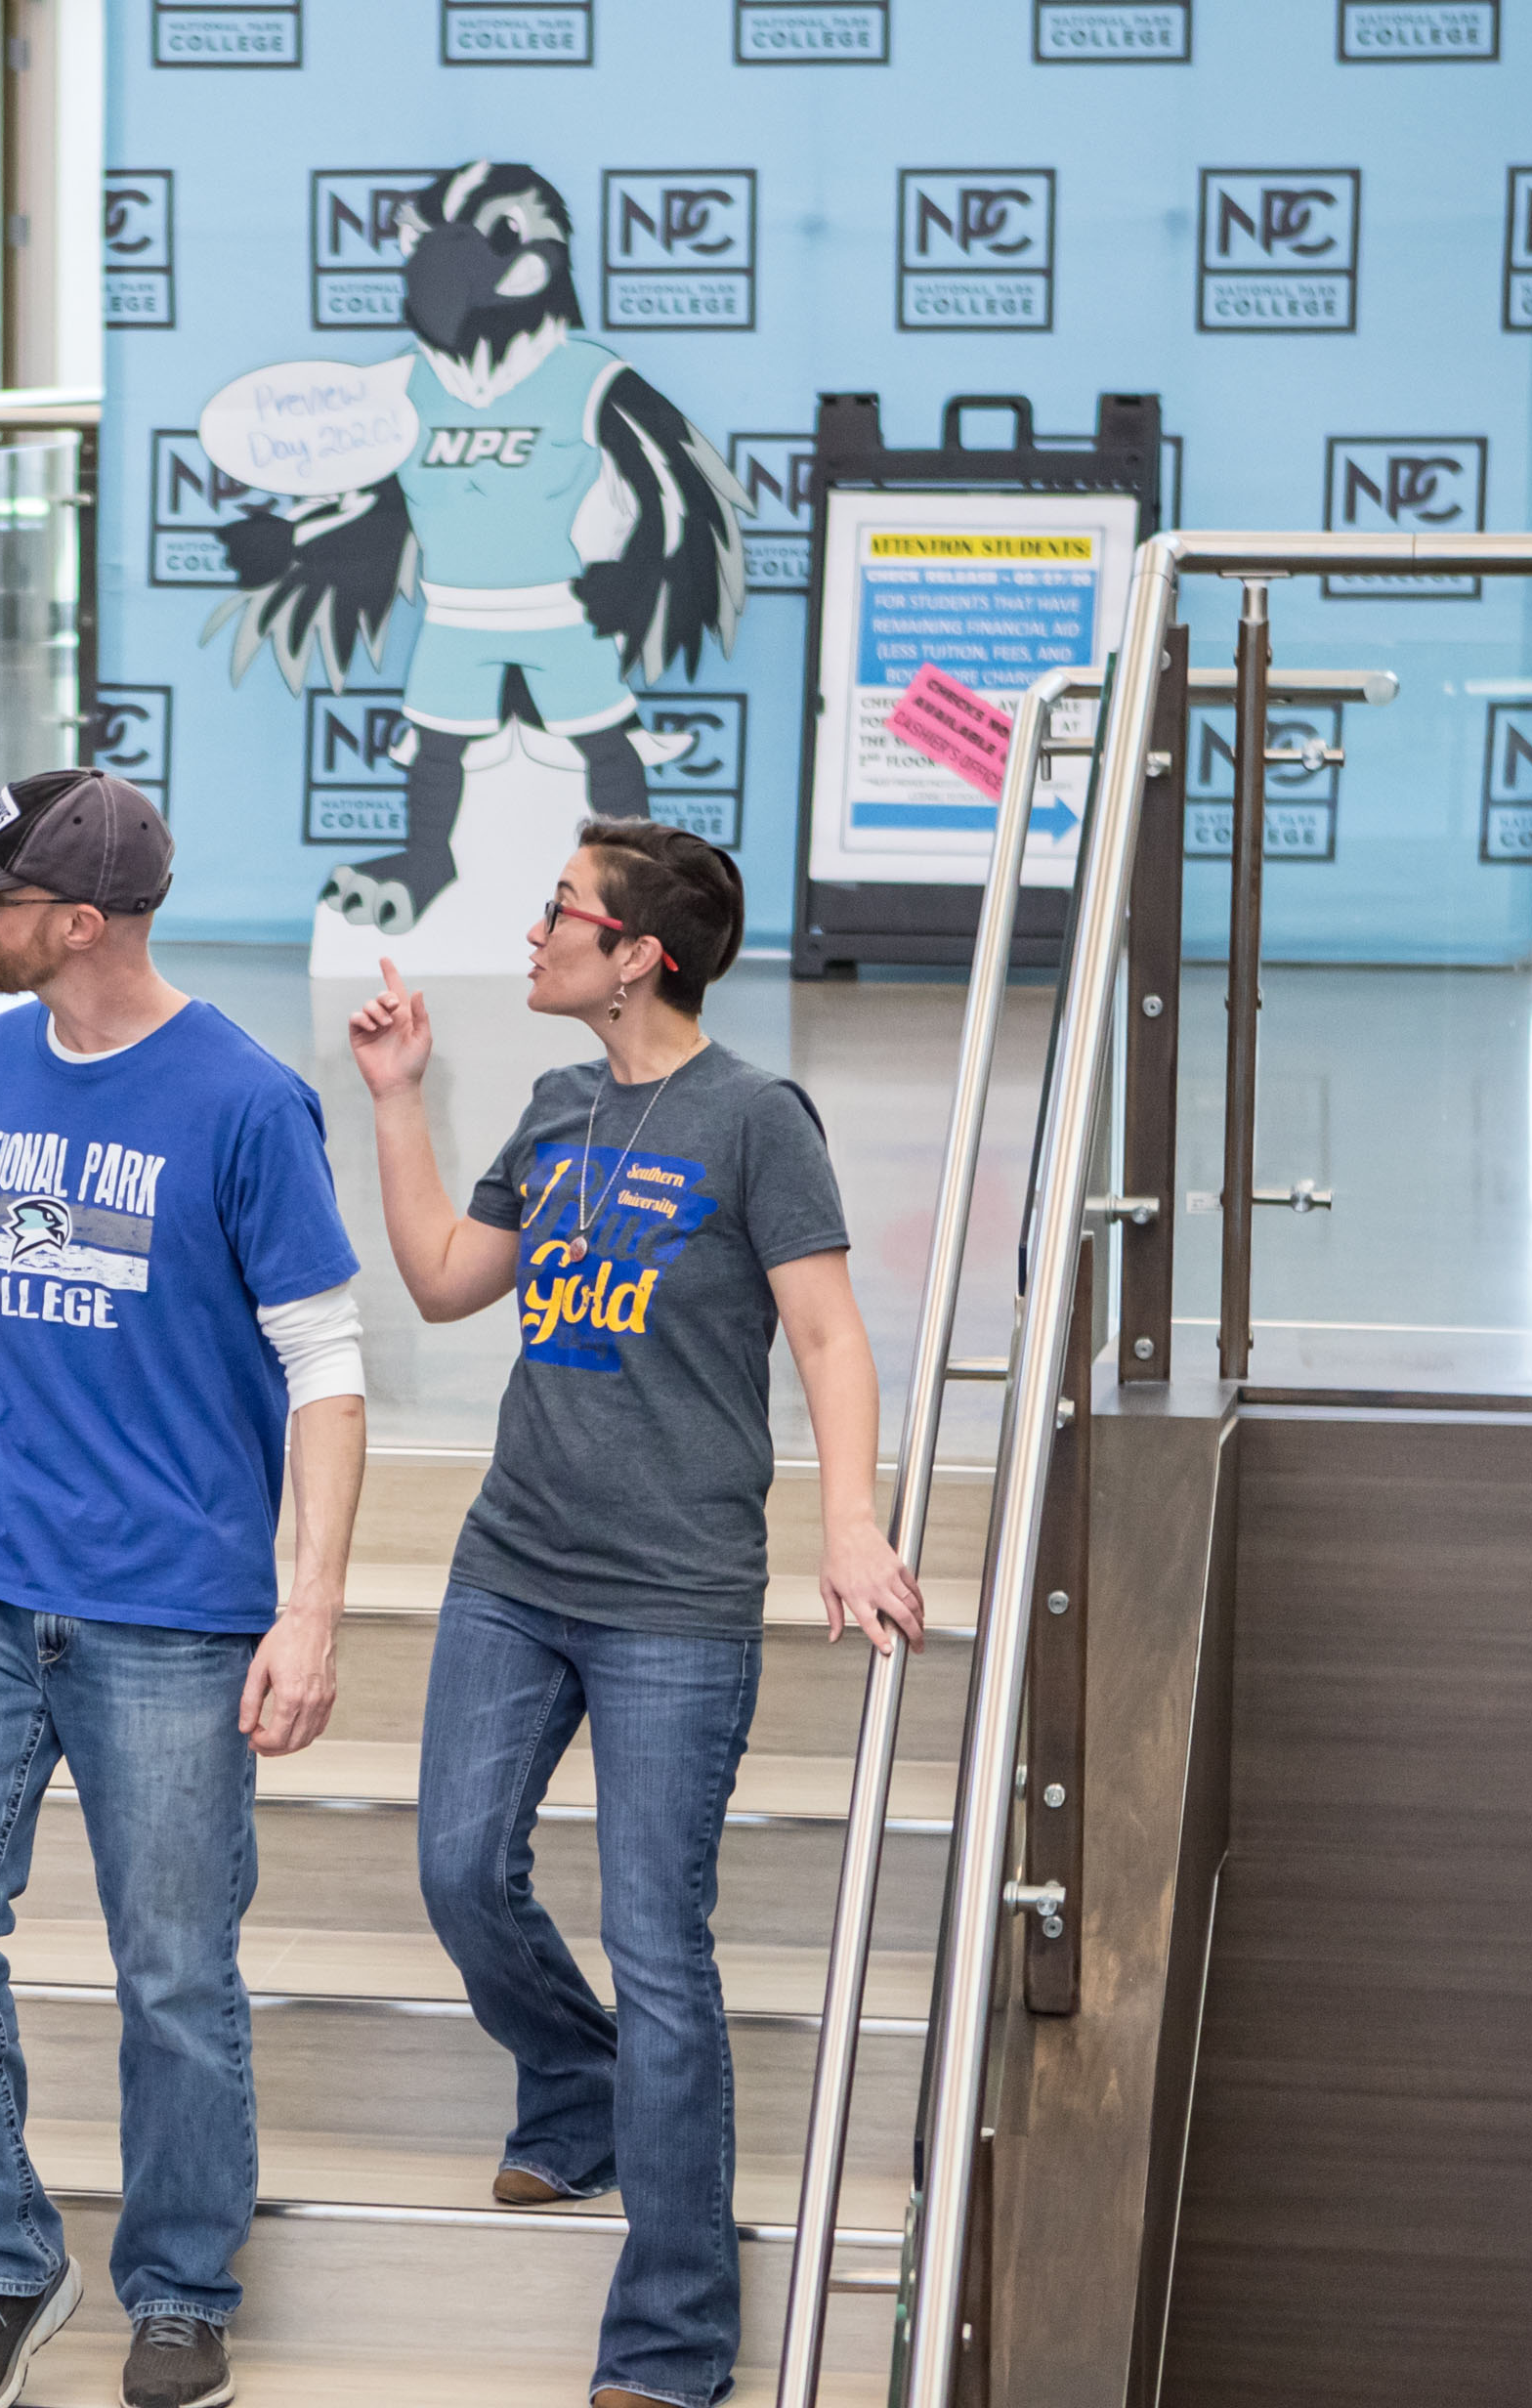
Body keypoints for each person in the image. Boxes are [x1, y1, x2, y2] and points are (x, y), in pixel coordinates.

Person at [344, 820, 928, 2408]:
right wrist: (397, 1100)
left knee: (662, 1948)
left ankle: (672, 2339)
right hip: (515, 1566)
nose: (538, 932)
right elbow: (452, 1279)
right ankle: (577, 2088)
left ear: (638, 957)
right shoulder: (554, 1104)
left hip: (673, 1596)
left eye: (564, 913)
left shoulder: (755, 1121)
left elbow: (827, 1336)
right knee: (459, 1867)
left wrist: (853, 1526)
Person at [0, 768, 370, 2408]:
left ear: (77, 921)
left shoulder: (245, 1101)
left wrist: (307, 1611)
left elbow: (328, 1370)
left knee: (172, 1964)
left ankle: (178, 2286)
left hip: (174, 1606)